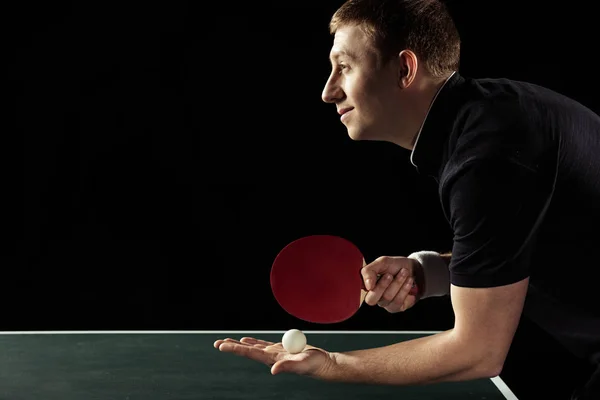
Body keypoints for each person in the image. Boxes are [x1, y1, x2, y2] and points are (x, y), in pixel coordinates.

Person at [214, 1, 600, 398]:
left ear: (404, 69)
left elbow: (476, 352)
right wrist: (426, 273)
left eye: (344, 66)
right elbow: (521, 249)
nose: (329, 91)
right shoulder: (491, 117)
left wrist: (331, 364)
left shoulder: (486, 159)